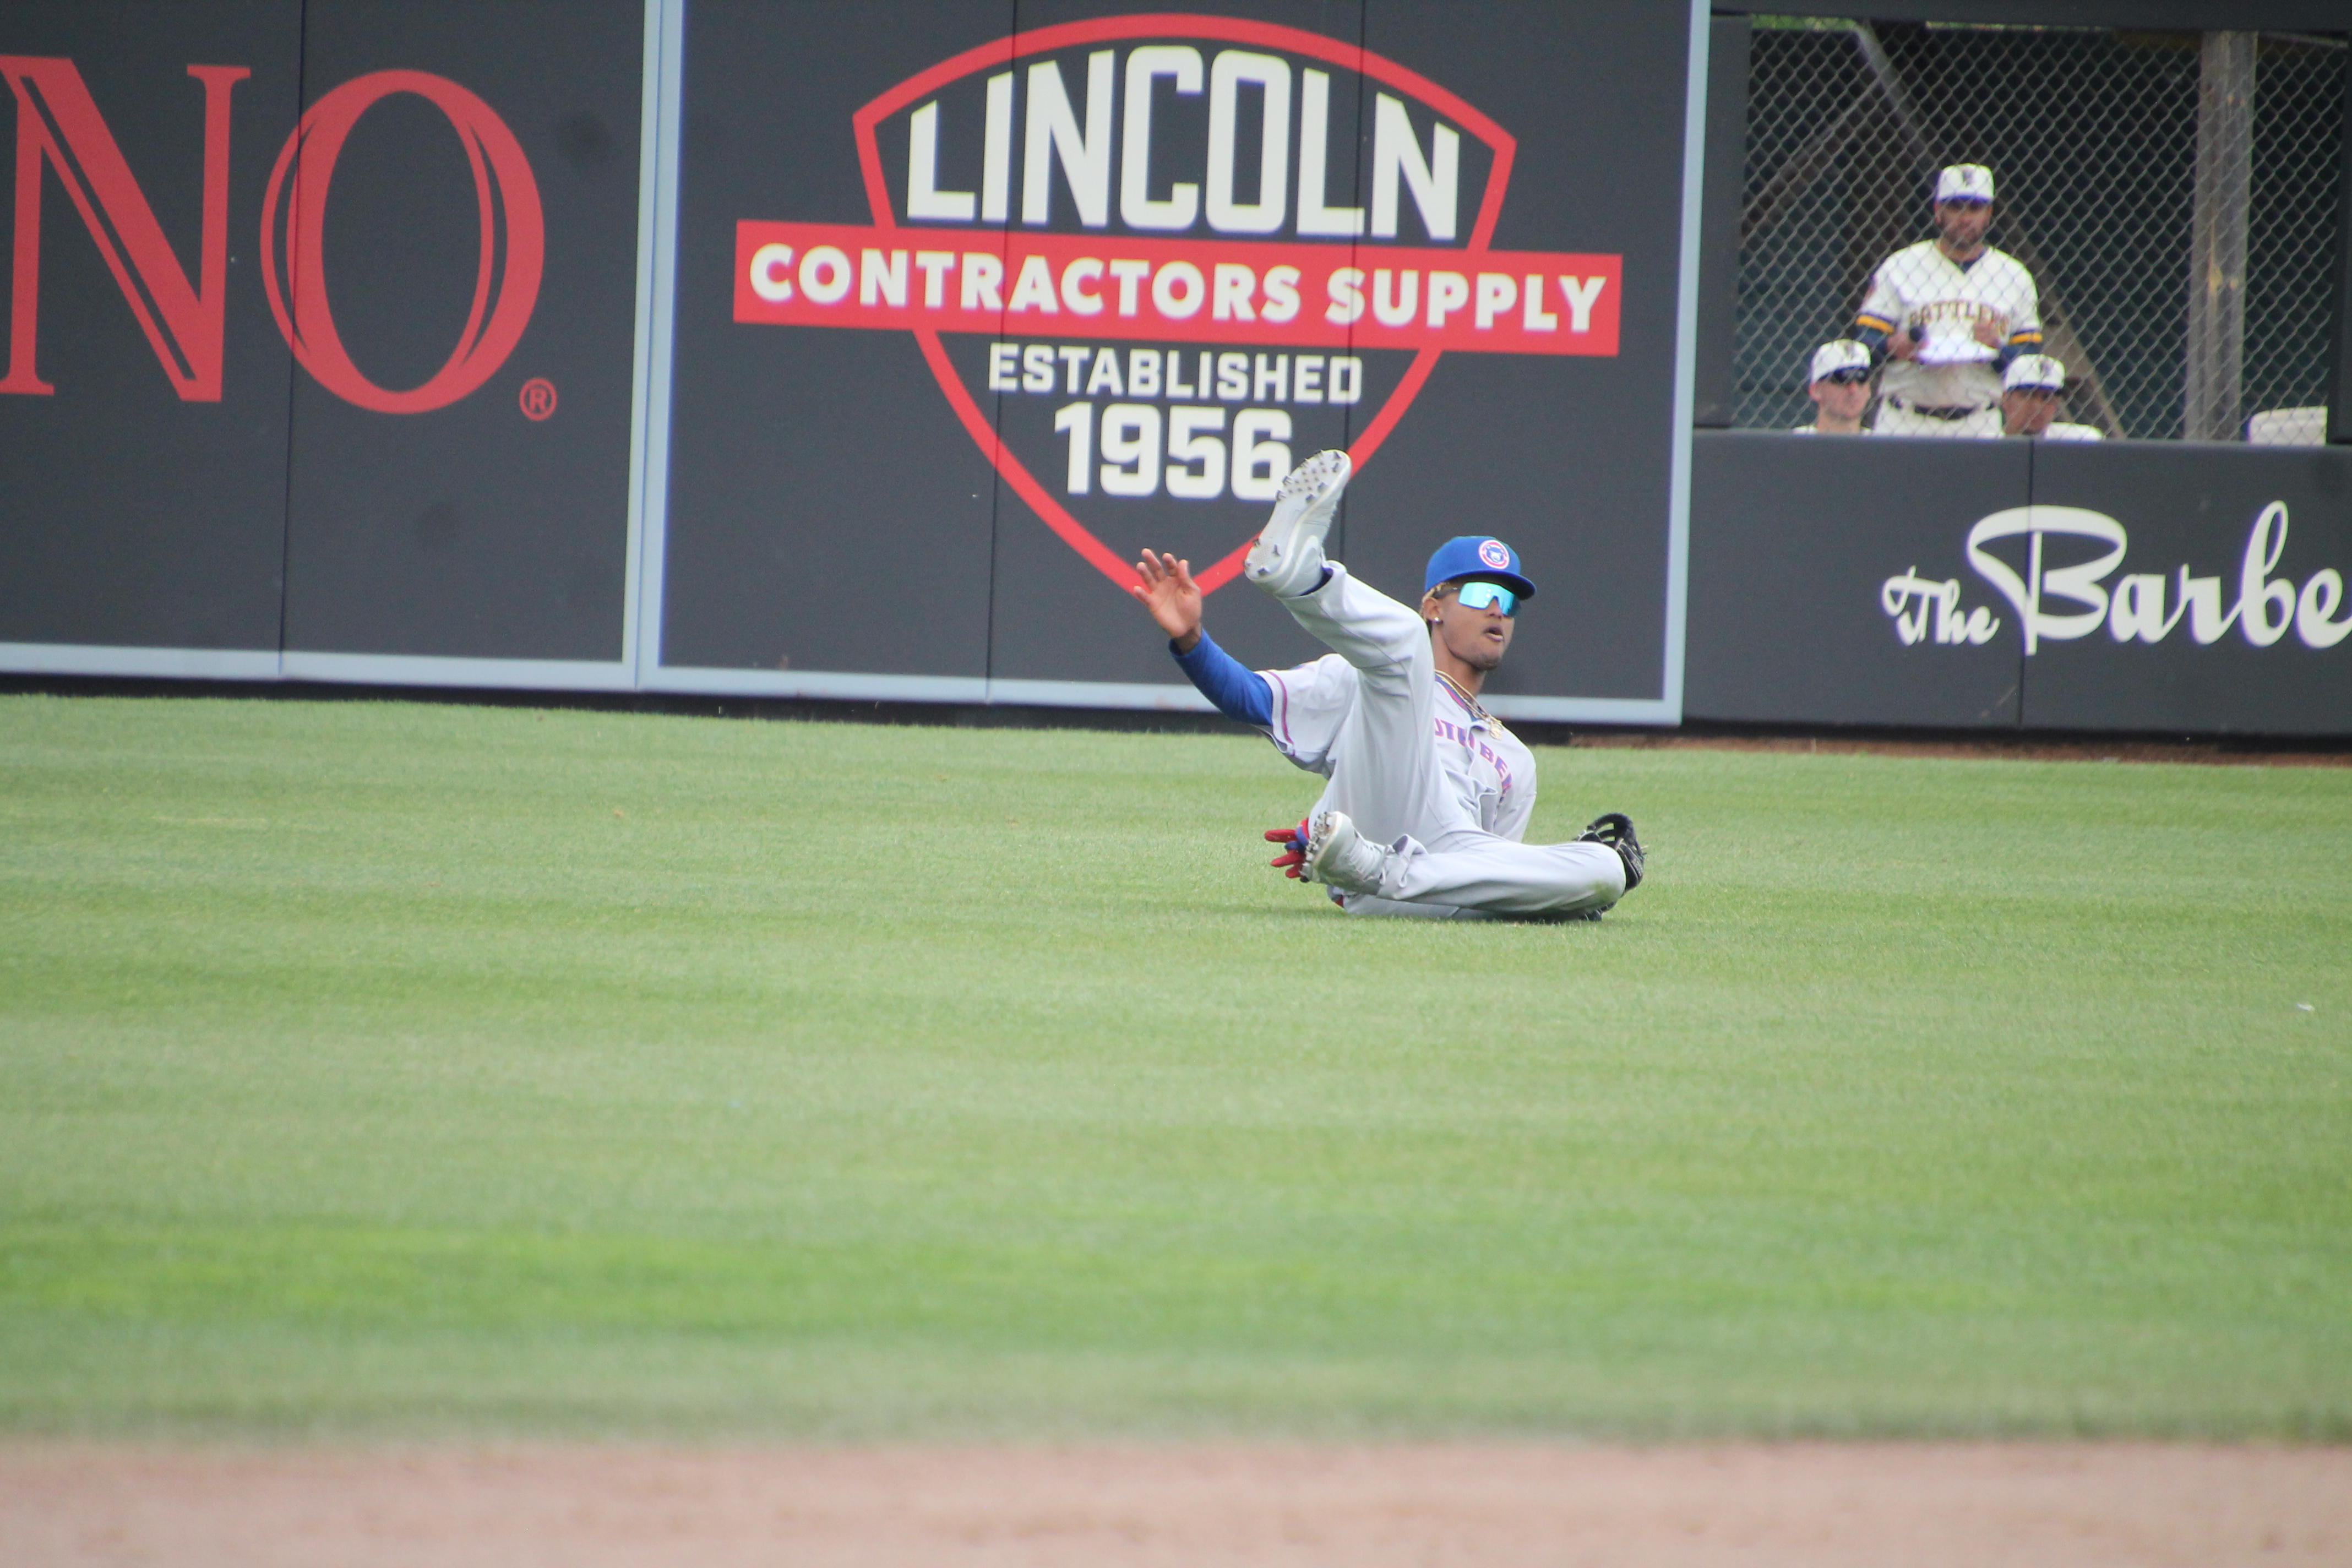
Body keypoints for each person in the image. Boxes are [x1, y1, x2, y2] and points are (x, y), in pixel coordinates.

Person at [1127, 451, 1642, 921]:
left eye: (1508, 603)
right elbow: (1251, 700)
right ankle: (1300, 577)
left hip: (1429, 884)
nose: (1496, 611)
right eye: (1480, 593)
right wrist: (1193, 640)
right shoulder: (1367, 677)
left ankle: (1375, 868)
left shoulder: (1517, 759)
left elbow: (1495, 870)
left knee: (1606, 869)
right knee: (1404, 647)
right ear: (1434, 606)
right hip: (1381, 830)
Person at [1853, 164, 2041, 439]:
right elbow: (1863, 345)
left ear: (1989, 213)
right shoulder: (1900, 266)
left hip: (1980, 421)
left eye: (1975, 208)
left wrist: (1999, 350)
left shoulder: (2014, 276)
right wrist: (1892, 347)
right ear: (1938, 211)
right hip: (1905, 419)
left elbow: (2031, 360)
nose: (1965, 219)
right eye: (1956, 208)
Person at [1999, 354, 2103, 440]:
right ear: (2006, 399)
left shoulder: (2081, 439)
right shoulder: (1989, 443)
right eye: (2029, 396)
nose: (2038, 406)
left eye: (2047, 397)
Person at [1793, 340, 1874, 434]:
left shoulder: (1880, 441)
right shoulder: (1796, 441)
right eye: (1842, 381)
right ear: (1816, 390)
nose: (1853, 390)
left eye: (1861, 380)